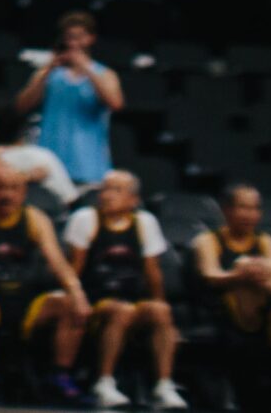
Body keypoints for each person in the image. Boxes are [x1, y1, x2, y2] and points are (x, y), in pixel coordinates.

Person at [0, 157, 91, 403]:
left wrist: (77, 292)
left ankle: (60, 376)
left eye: (14, 188)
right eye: (1, 188)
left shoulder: (35, 217)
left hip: (27, 298)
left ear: (24, 192)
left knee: (71, 305)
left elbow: (58, 262)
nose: (6, 195)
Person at [65, 169, 186, 409]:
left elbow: (152, 271)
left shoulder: (145, 222)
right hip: (96, 300)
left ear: (133, 200)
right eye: (105, 189)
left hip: (133, 299)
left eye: (116, 190)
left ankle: (163, 385)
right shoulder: (85, 218)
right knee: (122, 311)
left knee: (161, 312)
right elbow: (74, 269)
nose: (107, 195)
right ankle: (104, 382)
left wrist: (160, 302)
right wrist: (75, 301)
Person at [191, 184, 271, 408]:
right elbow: (211, 274)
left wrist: (255, 268)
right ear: (226, 210)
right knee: (248, 267)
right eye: (243, 208)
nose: (249, 214)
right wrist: (241, 273)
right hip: (223, 310)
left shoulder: (267, 241)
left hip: (265, 311)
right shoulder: (207, 240)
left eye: (255, 208)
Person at [17, 12, 123, 189]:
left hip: (89, 164)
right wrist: (47, 69)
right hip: (51, 162)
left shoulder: (105, 74)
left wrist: (86, 68)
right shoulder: (50, 73)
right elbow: (22, 105)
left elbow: (116, 103)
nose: (74, 43)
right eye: (69, 37)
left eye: (79, 37)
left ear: (91, 38)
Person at [0, 107, 78, 205]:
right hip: (61, 205)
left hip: (51, 206)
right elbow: (71, 198)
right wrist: (28, 176)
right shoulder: (42, 153)